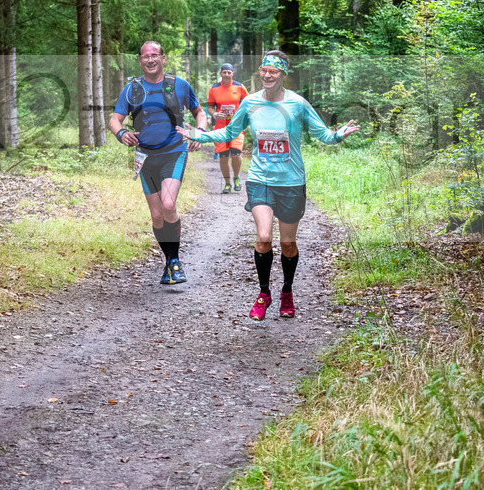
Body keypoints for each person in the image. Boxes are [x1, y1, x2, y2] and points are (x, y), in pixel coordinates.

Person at [179, 50, 359, 320]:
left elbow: (323, 134)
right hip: (260, 179)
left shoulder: (298, 104)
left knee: (288, 244)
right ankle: (264, 293)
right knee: (264, 237)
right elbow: (230, 132)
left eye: (273, 71)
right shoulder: (250, 103)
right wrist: (199, 135)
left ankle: (287, 291)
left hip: (291, 182)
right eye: (264, 70)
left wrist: (338, 135)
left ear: (283, 74)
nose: (267, 75)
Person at [109, 41, 207, 285]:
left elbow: (199, 113)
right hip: (145, 156)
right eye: (145, 57)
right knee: (156, 215)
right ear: (140, 61)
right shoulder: (132, 89)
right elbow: (115, 119)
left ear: (163, 58)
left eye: (155, 55)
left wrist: (199, 132)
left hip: (174, 151)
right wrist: (121, 134)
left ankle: (174, 262)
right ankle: (169, 263)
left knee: (168, 204)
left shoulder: (179, 85)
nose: (150, 60)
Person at [206, 62, 250, 194]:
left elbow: (249, 104)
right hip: (220, 127)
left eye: (228, 72)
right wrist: (214, 114)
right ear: (220, 74)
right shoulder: (214, 89)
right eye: (224, 72)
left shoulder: (240, 87)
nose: (226, 75)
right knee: (223, 157)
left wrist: (243, 116)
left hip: (236, 127)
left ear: (232, 74)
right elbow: (209, 107)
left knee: (236, 154)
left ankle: (236, 177)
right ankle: (227, 183)